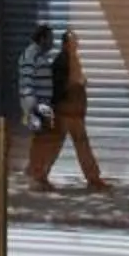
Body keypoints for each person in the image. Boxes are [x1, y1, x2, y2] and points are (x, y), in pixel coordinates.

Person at [43, 26, 108, 192]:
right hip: (65, 112)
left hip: (74, 112)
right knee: (55, 146)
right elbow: (59, 86)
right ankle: (39, 175)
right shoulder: (62, 61)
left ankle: (93, 178)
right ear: (65, 44)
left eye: (76, 42)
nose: (75, 45)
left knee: (79, 145)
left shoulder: (72, 59)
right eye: (72, 42)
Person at [18, 22, 58, 187]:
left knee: (42, 142)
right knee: (41, 142)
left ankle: (36, 173)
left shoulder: (38, 55)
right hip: (37, 107)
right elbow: (27, 84)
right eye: (50, 39)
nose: (52, 43)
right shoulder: (30, 56)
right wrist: (33, 109)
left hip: (43, 106)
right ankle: (36, 177)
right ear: (42, 39)